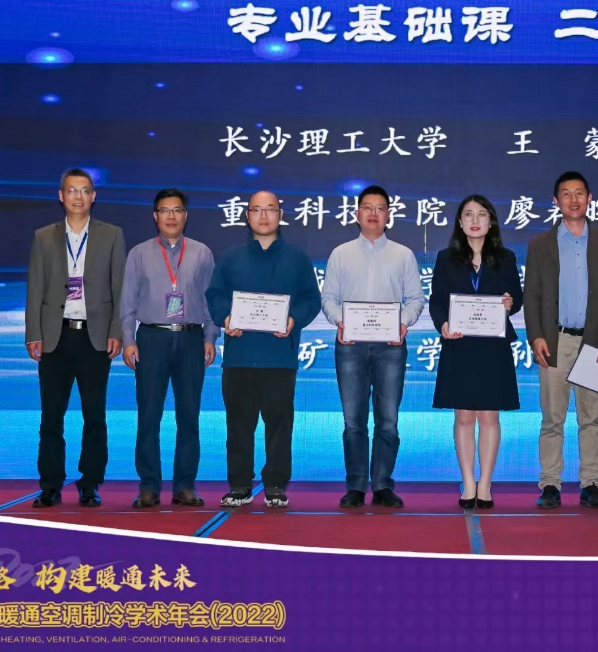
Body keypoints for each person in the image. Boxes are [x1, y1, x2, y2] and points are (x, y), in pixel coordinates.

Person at [206, 191, 321, 509]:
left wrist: (294, 319)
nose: (264, 215)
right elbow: (215, 295)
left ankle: (276, 485)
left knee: (279, 424)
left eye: (271, 209)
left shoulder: (297, 258)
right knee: (238, 425)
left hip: (279, 356)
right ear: (247, 216)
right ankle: (239, 485)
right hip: (240, 355)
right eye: (257, 209)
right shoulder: (230, 257)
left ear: (280, 215)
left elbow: (311, 298)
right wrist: (225, 318)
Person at [24, 168, 126, 509]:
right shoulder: (44, 236)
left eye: (84, 190)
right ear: (61, 195)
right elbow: (35, 288)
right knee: (51, 417)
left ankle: (90, 483)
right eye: (72, 190)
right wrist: (33, 333)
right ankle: (50, 485)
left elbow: (120, 288)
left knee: (94, 416)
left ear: (94, 196)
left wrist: (116, 331)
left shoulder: (111, 235)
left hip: (95, 339)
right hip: (55, 337)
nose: (78, 197)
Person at [320, 185, 424, 509]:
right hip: (350, 345)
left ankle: (382, 485)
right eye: (367, 207)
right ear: (357, 214)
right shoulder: (340, 254)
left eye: (380, 208)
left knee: (388, 420)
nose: (373, 213)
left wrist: (402, 324)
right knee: (353, 421)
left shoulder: (403, 255)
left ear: (388, 215)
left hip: (391, 346)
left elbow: (416, 299)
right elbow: (328, 298)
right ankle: (355, 486)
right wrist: (341, 322)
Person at [523, 171, 598, 510]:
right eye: (566, 194)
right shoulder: (540, 244)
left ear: (590, 198)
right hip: (555, 341)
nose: (573, 199)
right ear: (556, 201)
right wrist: (536, 336)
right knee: (552, 419)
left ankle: (591, 483)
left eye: (579, 193)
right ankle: (550, 484)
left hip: (595, 343)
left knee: (591, 419)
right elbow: (532, 295)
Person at [120, 189, 219, 510]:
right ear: (155, 216)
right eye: (165, 210)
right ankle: (148, 486)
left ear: (186, 215)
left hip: (191, 339)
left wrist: (210, 336)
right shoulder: (139, 253)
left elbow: (210, 299)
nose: (171, 216)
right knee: (149, 415)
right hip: (152, 338)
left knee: (189, 416)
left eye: (177, 210)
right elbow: (127, 301)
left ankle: (185, 486)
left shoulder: (202, 253)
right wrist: (128, 339)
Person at [429, 195, 524, 510]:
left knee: (489, 416)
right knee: (464, 416)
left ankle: (486, 484)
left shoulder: (506, 257)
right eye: (468, 214)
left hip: (492, 346)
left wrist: (510, 303)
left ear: (490, 221)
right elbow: (437, 300)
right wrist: (443, 324)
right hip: (459, 345)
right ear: (459, 222)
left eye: (481, 214)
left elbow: (516, 296)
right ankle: (468, 482)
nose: (474, 220)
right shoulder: (446, 258)